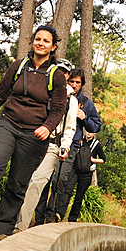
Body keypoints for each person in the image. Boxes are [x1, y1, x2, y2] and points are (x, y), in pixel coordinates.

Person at [0, 25, 68, 241]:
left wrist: (47, 127)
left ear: (53, 47)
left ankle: (3, 229)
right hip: (7, 124)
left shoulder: (57, 76)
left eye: (46, 41)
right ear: (33, 41)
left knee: (18, 182)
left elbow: (58, 110)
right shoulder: (18, 66)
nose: (40, 43)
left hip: (34, 135)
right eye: (38, 39)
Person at [13, 79, 78, 233]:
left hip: (53, 146)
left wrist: (65, 146)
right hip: (31, 141)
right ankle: (8, 220)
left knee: (36, 182)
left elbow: (69, 127)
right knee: (19, 180)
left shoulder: (71, 100)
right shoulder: (41, 89)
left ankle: (20, 227)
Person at [46, 69, 102, 223]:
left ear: (82, 84)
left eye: (78, 82)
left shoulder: (86, 103)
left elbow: (96, 126)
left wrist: (84, 118)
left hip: (72, 147)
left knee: (62, 180)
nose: (74, 85)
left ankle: (56, 214)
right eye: (72, 81)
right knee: (48, 178)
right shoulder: (59, 96)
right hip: (51, 141)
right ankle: (42, 215)